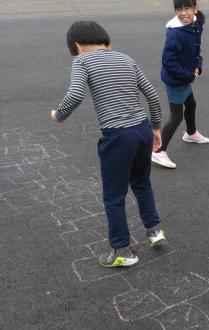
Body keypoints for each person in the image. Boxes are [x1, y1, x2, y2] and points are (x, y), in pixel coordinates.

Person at [50, 20, 166, 268]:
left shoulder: (82, 61)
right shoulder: (125, 58)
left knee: (114, 195)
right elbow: (153, 96)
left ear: (77, 46)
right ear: (107, 42)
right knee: (142, 183)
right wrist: (155, 127)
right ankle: (154, 230)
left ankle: (122, 250)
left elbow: (76, 94)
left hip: (117, 136)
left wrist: (58, 115)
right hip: (142, 130)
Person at [152, 0, 209, 169]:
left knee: (191, 105)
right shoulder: (175, 33)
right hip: (175, 80)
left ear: (195, 9)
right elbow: (168, 61)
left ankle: (191, 134)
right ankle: (158, 151)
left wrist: (198, 65)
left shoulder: (196, 24)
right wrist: (187, 75)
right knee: (176, 116)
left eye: (187, 9)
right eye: (179, 9)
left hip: (185, 77)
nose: (183, 13)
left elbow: (197, 49)